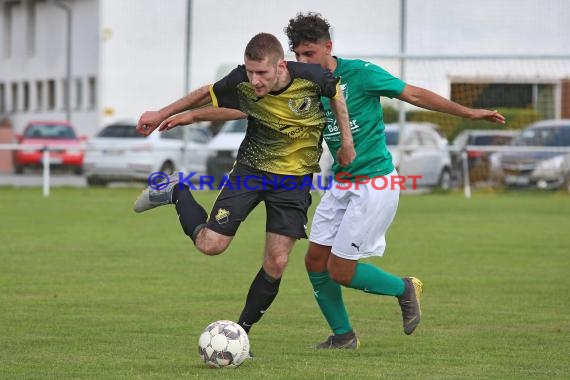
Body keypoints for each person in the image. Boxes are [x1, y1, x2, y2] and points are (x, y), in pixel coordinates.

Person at [282, 12, 506, 349]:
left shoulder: (361, 74)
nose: (303, 61)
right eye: (298, 55)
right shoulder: (303, 82)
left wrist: (469, 113)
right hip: (341, 183)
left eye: (309, 54)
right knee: (315, 260)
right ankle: (343, 337)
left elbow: (414, 95)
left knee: (341, 271)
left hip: (374, 184)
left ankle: (404, 288)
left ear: (328, 47)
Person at [133, 32, 356, 347]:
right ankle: (176, 191)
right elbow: (204, 93)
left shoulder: (313, 77)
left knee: (277, 262)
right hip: (251, 172)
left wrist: (347, 142)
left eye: (261, 73)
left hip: (294, 183)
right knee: (211, 245)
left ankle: (239, 336)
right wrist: (162, 114)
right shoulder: (242, 80)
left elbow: (336, 96)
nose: (254, 79)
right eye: (250, 71)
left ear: (281, 65)